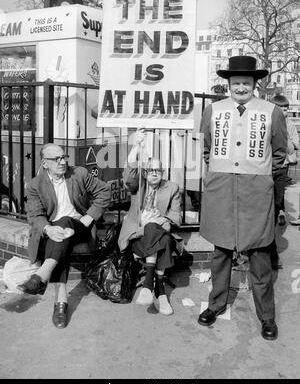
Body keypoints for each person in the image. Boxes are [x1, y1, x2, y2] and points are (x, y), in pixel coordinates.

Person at [197, 56, 287, 341]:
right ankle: (216, 304)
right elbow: (207, 149)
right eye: (235, 83)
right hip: (222, 189)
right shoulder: (213, 110)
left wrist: (262, 180)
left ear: (254, 84)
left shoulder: (271, 111)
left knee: (260, 254)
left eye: (245, 83)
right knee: (221, 251)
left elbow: (280, 154)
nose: (240, 87)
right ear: (228, 84)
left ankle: (267, 316)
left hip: (255, 191)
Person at [18, 143, 111, 328]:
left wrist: (89, 217)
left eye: (64, 157)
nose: (62, 162)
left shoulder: (79, 174)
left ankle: (42, 276)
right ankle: (61, 302)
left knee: (65, 221)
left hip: (79, 227)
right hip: (56, 233)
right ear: (45, 163)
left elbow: (105, 192)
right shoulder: (35, 185)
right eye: (56, 159)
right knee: (59, 234)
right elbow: (35, 215)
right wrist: (47, 229)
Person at [118, 129, 182, 316]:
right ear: (145, 173)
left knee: (156, 230)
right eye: (150, 170)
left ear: (163, 172)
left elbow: (175, 217)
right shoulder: (139, 186)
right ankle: (160, 290)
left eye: (158, 170)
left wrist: (160, 221)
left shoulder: (172, 188)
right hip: (137, 236)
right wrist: (136, 147)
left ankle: (149, 285)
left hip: (160, 234)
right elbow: (129, 174)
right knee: (157, 234)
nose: (154, 174)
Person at [270, 94, 299, 229]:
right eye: (280, 108)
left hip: (283, 164)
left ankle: (279, 211)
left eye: (286, 109)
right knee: (268, 192)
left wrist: (285, 138)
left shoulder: (290, 125)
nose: (284, 111)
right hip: (267, 165)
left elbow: (295, 145)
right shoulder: (267, 122)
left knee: (279, 191)